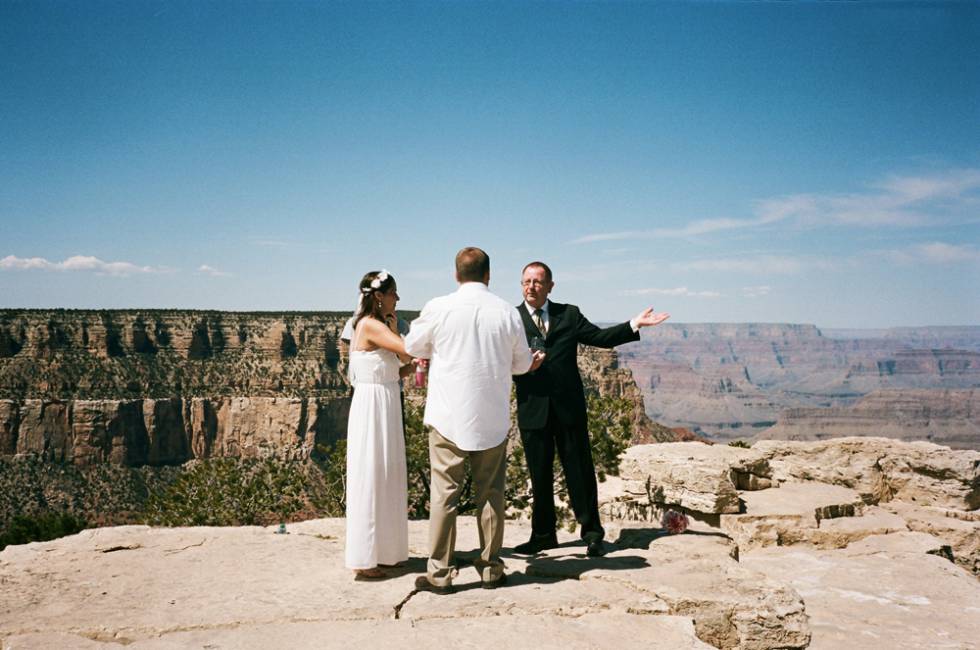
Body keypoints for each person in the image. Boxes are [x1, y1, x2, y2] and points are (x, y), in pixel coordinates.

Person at [404, 247, 544, 594]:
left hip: (448, 417)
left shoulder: (439, 307)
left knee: (444, 496)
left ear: (456, 275)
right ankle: (491, 569)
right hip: (491, 419)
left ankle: (440, 574)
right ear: (488, 275)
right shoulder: (507, 312)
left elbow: (413, 347)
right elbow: (521, 365)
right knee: (491, 495)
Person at [512, 261, 670, 557]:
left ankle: (593, 534)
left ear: (550, 286)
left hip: (568, 410)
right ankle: (543, 536)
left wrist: (634, 324)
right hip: (533, 410)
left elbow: (600, 338)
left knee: (580, 472)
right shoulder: (511, 319)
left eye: (537, 281)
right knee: (539, 475)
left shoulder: (568, 314)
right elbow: (498, 359)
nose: (531, 287)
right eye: (526, 282)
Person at [345, 269, 416, 580]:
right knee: (372, 475)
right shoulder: (370, 325)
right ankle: (364, 558)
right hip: (373, 406)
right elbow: (408, 350)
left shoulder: (381, 326)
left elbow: (399, 368)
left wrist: (397, 332)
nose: (397, 298)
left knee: (387, 473)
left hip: (385, 400)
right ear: (378, 296)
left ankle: (386, 551)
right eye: (392, 293)